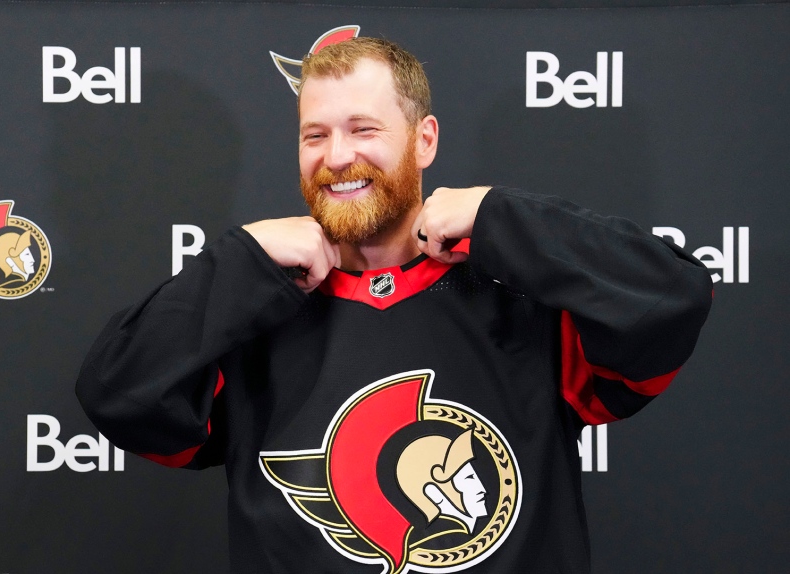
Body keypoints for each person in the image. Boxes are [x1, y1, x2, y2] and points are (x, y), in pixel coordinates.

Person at [76, 37, 712, 573]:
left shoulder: (525, 302)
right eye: (315, 135)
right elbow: (117, 394)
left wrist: (499, 218)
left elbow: (672, 299)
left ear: (424, 140)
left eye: (364, 129)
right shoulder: (250, 307)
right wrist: (240, 261)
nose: (338, 157)